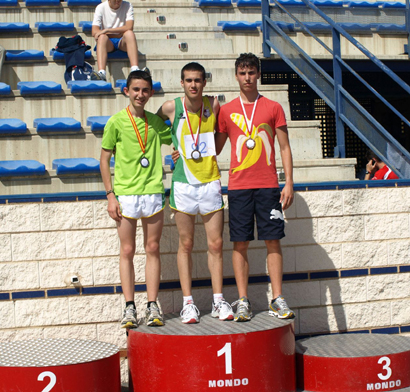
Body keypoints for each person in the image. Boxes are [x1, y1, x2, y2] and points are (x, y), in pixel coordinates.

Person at [216, 53, 295, 322]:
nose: (247, 78)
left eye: (251, 72)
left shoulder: (273, 107)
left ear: (258, 74)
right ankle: (243, 300)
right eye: (242, 73)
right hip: (238, 187)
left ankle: (277, 298)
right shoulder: (226, 111)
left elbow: (284, 147)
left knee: (273, 241)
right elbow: (215, 148)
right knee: (240, 244)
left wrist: (289, 182)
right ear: (236, 75)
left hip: (268, 185)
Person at [157, 62, 234, 324]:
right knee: (186, 244)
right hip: (183, 184)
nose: (193, 85)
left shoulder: (213, 105)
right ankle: (188, 304)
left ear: (204, 82)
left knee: (216, 244)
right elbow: (155, 127)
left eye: (198, 80)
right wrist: (172, 147)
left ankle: (218, 300)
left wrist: (213, 148)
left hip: (210, 180)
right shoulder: (171, 107)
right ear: (181, 82)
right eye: (188, 80)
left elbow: (221, 135)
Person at [100, 70, 171, 328]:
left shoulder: (155, 122)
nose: (140, 95)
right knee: (127, 250)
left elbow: (175, 141)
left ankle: (153, 305)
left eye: (145, 90)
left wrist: (176, 153)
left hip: (152, 191)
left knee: (152, 248)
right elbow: (104, 159)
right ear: (126, 91)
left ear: (151, 93)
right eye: (136, 90)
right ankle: (129, 306)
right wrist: (110, 196)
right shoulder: (116, 122)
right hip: (126, 194)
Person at [92, 0, 145, 81]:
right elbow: (94, 31)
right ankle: (102, 73)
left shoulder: (128, 5)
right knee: (102, 37)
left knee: (129, 34)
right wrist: (110, 33)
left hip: (122, 41)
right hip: (108, 42)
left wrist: (107, 31)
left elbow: (129, 27)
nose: (118, 1)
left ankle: (135, 69)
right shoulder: (100, 7)